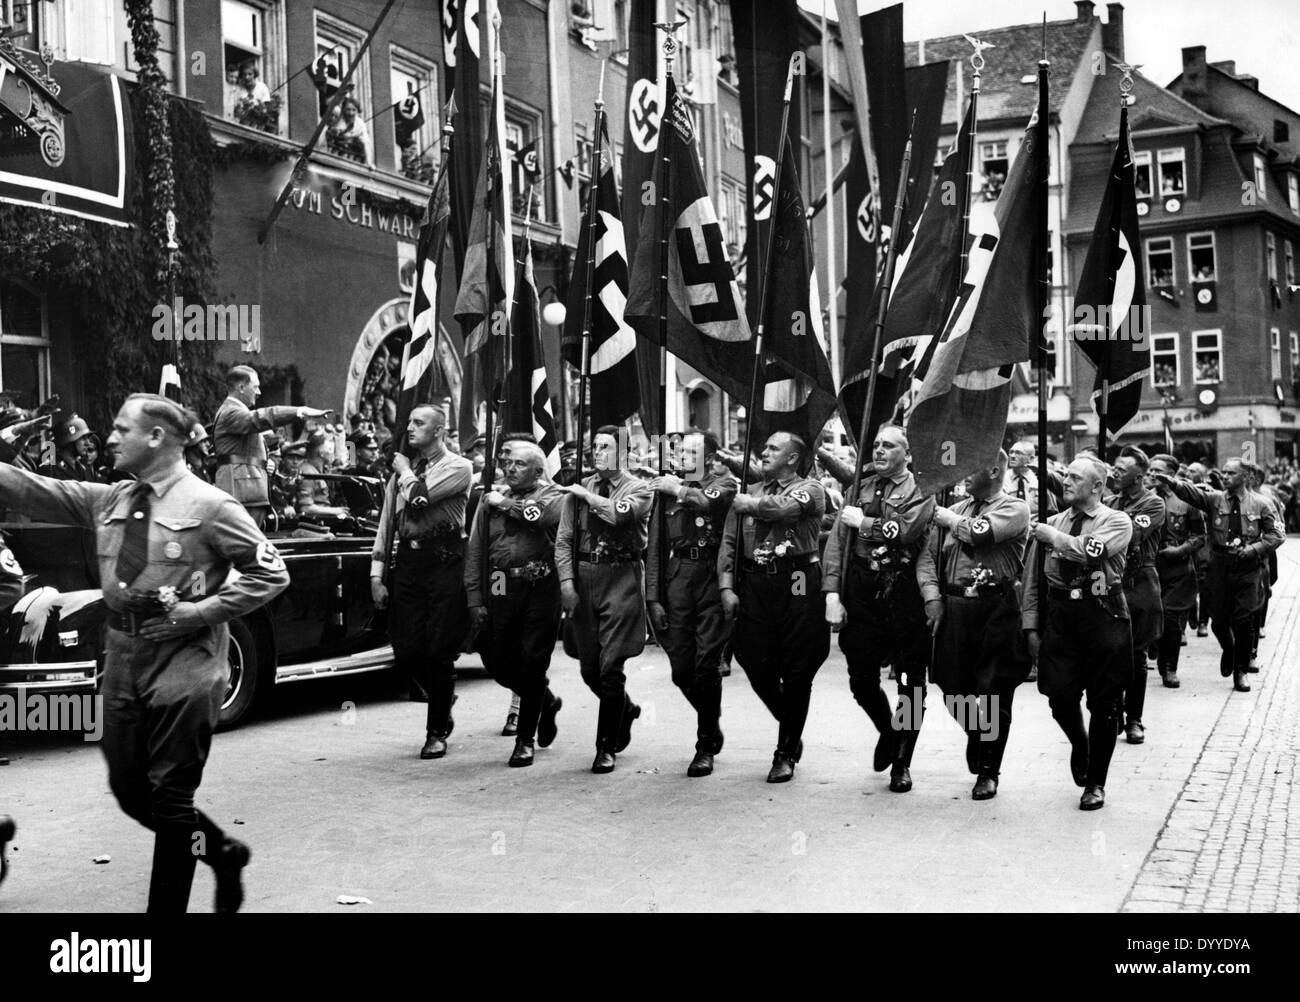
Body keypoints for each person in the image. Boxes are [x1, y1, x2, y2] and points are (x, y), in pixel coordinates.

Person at [0, 393, 290, 911]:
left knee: (172, 799)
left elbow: (272, 572)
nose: (109, 437)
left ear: (156, 437)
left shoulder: (210, 506)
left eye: (120, 429)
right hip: (123, 655)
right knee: (132, 791)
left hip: (186, 659)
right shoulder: (111, 499)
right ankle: (221, 851)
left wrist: (200, 613)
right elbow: (39, 490)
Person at [823, 426, 934, 793]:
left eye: (889, 445)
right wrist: (832, 594)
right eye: (876, 445)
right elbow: (838, 544)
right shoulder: (859, 488)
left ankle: (902, 761)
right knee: (861, 679)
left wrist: (865, 523)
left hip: (902, 592)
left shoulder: (921, 490)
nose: (880, 450)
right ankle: (888, 731)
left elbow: (906, 529)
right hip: (862, 590)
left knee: (910, 684)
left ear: (908, 453)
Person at [916, 450, 1030, 800]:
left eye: (971, 467)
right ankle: (979, 733)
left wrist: (948, 519)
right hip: (956, 607)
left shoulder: (1014, 508)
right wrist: (932, 596)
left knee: (995, 692)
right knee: (951, 686)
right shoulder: (961, 508)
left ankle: (988, 771)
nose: (963, 474)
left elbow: (981, 533)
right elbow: (929, 556)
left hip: (996, 607)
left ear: (994, 470)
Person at [1023, 455, 1133, 811]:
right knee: (1058, 694)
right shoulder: (1052, 523)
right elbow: (1033, 581)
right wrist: (1031, 625)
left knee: (1105, 703)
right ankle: (1079, 743)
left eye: (1074, 477)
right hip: (1062, 616)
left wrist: (1054, 538)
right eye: (1065, 476)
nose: (1065, 482)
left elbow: (1093, 551)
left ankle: (1096, 782)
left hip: (1102, 613)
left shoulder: (1116, 521)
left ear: (1097, 486)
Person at [718, 431, 829, 784]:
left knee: (797, 669)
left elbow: (787, 509)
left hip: (797, 580)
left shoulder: (810, 488)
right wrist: (726, 586)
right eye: (764, 447)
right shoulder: (751, 492)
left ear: (793, 458)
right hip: (757, 583)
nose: (764, 453)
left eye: (773, 449)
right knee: (753, 660)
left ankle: (784, 753)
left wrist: (748, 504)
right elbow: (731, 542)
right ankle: (791, 724)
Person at [371, 405, 473, 758]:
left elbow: (420, 497)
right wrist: (377, 572)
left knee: (439, 648)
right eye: (410, 422)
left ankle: (435, 732)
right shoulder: (405, 471)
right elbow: (388, 521)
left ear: (439, 431)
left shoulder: (459, 467)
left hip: (445, 561)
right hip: (410, 563)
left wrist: (401, 469)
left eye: (419, 423)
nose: (410, 428)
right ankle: (444, 702)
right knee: (406, 647)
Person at [555, 426, 653, 774]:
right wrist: (567, 583)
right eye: (594, 446)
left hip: (621, 577)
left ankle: (605, 746)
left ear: (623, 453)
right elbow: (564, 539)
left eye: (605, 447)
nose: (596, 452)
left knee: (611, 668)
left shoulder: (639, 488)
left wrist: (586, 495)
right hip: (585, 576)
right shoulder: (577, 489)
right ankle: (624, 710)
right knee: (589, 668)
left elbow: (618, 513)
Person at [464, 440, 565, 768]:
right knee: (496, 658)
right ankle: (546, 701)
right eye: (508, 463)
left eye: (520, 464)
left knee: (533, 662)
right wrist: (475, 597)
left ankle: (525, 740)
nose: (510, 468)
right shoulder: (487, 500)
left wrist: (504, 502)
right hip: (501, 582)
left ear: (538, 470)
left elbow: (540, 516)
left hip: (540, 585)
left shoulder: (552, 495)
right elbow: (477, 549)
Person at [645, 430, 738, 777]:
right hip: (679, 578)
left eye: (690, 453)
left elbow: (708, 502)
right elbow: (654, 546)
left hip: (713, 577)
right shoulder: (666, 491)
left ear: (711, 457)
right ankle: (711, 725)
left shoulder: (724, 483)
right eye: (679, 453)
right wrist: (653, 597)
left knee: (706, 665)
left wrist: (678, 489)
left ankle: (703, 745)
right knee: (681, 670)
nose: (681, 458)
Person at [1151, 458, 1283, 692]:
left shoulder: (1262, 504)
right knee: (1218, 622)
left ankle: (1240, 671)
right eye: (1223, 472)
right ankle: (1229, 648)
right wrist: (1172, 482)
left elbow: (1276, 535)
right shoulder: (1214, 499)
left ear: (1245, 477)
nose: (1225, 476)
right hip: (1219, 565)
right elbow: (1191, 494)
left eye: (1231, 473)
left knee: (1243, 621)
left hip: (1247, 567)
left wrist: (1254, 549)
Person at [213, 365, 329, 527]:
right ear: (241, 387)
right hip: (241, 492)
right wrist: (300, 411)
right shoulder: (231, 412)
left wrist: (265, 461)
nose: (259, 392)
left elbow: (245, 447)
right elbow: (263, 417)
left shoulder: (233, 411)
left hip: (245, 490)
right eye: (256, 387)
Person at [1105, 446, 1165, 746]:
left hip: (1139, 581)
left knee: (1137, 654)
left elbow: (1130, 532)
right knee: (1113, 652)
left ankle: (1134, 719)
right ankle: (1114, 710)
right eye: (1113, 467)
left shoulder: (1153, 504)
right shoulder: (1110, 500)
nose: (1114, 472)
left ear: (1139, 476)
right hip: (1112, 581)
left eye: (1121, 469)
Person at [1149, 454, 1205, 689]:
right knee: (1152, 617)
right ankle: (1156, 648)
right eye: (1150, 470)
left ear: (1171, 474)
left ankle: (1169, 668)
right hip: (1150, 567)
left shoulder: (1186, 500)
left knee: (1171, 620)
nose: (1152, 475)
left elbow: (1200, 536)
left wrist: (1181, 550)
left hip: (1178, 568)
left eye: (1157, 471)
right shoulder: (1145, 499)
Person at [295, 430, 349, 521]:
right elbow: (306, 508)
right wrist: (335, 511)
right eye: (330, 450)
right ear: (321, 453)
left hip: (323, 520)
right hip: (314, 523)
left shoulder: (320, 471)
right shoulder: (308, 472)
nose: (332, 454)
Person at [1005, 439, 1060, 516]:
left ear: (1031, 458)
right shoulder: (1001, 479)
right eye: (1011, 452)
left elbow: (1052, 511)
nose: (1012, 456)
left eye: (1018, 453)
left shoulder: (1041, 479)